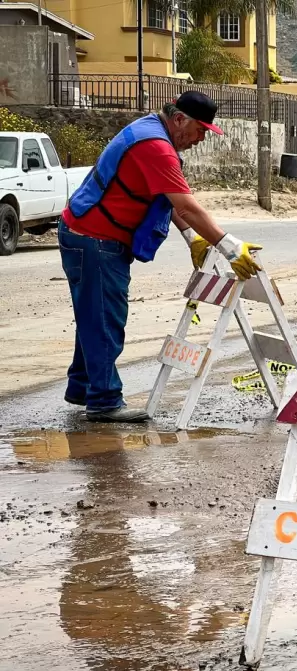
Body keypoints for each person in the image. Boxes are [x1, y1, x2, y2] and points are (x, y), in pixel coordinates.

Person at [59, 90, 262, 423]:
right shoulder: (155, 146)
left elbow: (165, 199)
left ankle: (84, 388)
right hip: (94, 238)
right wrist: (230, 246)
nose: (200, 140)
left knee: (94, 316)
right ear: (180, 119)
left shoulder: (151, 130)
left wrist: (191, 239)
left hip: (88, 234)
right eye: (200, 131)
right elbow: (185, 204)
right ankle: (104, 401)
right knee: (105, 320)